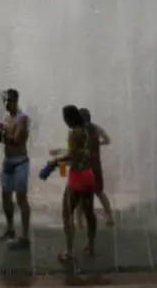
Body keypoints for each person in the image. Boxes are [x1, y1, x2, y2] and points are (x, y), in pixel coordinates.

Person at [48, 105, 97, 261]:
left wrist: (55, 162)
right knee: (89, 213)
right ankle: (90, 245)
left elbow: (73, 155)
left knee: (66, 213)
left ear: (68, 118)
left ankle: (69, 251)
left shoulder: (73, 133)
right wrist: (61, 154)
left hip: (77, 178)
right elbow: (79, 152)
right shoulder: (85, 131)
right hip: (89, 175)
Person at [0, 88, 31, 250]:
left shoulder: (22, 119)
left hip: (20, 162)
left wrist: (0, 134)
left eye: (9, 101)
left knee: (21, 199)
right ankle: (10, 228)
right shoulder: (7, 118)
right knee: (6, 198)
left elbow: (16, 139)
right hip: (8, 162)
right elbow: (4, 139)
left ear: (16, 101)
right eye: (5, 101)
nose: (6, 104)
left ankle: (25, 236)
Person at [78, 108, 114, 227]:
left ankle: (80, 221)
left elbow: (73, 149)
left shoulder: (78, 131)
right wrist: (98, 144)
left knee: (80, 194)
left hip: (83, 166)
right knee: (99, 192)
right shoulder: (96, 129)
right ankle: (109, 217)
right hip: (95, 165)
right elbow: (108, 140)